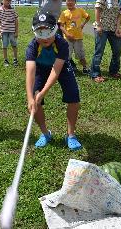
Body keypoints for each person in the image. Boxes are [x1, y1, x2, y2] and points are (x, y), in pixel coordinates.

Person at [25, 11, 82, 151]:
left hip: (61, 68)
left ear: (55, 29)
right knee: (35, 101)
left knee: (73, 98)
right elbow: (30, 72)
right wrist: (30, 98)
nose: (45, 38)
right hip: (41, 68)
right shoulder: (32, 46)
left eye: (48, 32)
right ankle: (45, 134)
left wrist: (43, 92)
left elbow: (56, 71)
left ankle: (71, 135)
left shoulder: (61, 44)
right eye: (40, 33)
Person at [90, 0, 121, 82]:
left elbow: (119, 14)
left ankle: (113, 71)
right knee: (99, 51)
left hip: (113, 29)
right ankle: (95, 74)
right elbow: (97, 10)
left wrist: (118, 28)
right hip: (102, 28)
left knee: (117, 50)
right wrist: (99, 25)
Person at [58, 0, 91, 74]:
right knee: (67, 55)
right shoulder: (64, 13)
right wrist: (67, 34)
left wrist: (83, 24)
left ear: (75, 1)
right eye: (68, 0)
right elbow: (61, 26)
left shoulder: (80, 11)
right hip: (68, 39)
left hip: (78, 38)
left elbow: (88, 17)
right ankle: (67, 69)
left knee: (80, 55)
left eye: (72, 0)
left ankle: (85, 67)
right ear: (65, 1)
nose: (70, 2)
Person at [0, 0, 19, 67]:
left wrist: (16, 31)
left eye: (9, 0)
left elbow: (16, 21)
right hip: (3, 31)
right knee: (4, 46)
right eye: (6, 0)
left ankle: (15, 59)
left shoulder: (13, 10)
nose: (8, 1)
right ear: (3, 0)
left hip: (12, 31)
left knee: (14, 45)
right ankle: (5, 60)